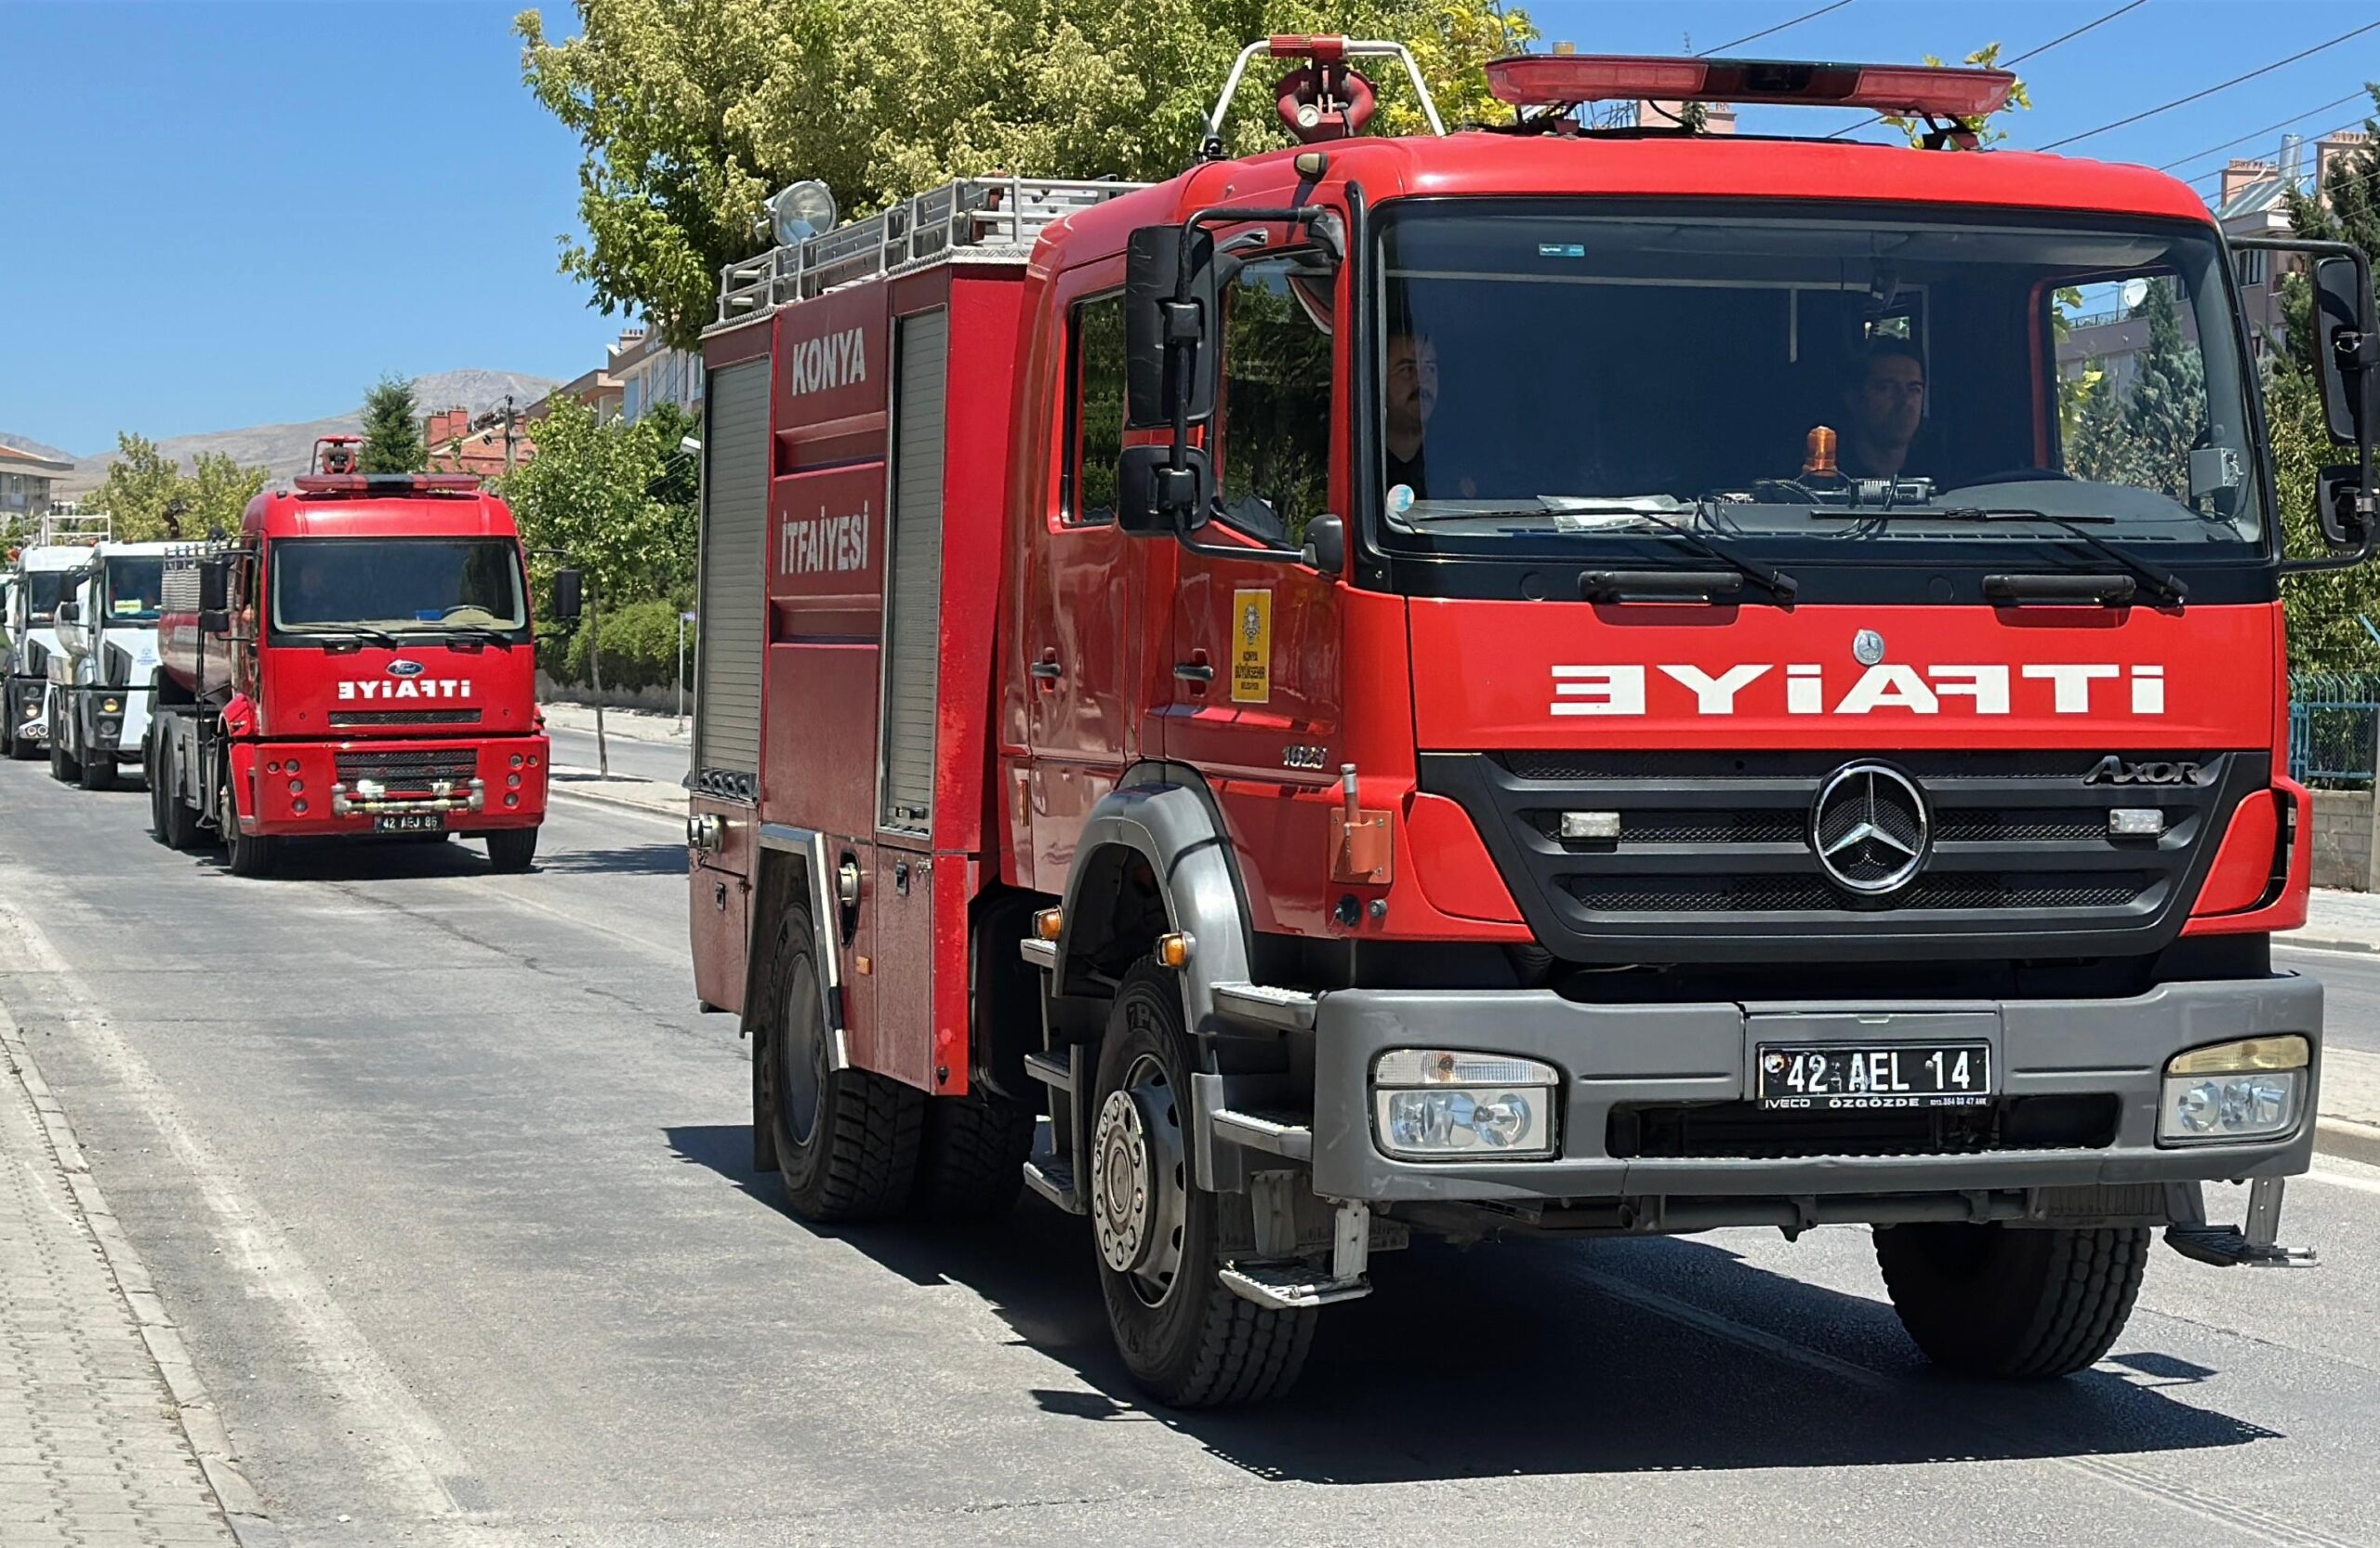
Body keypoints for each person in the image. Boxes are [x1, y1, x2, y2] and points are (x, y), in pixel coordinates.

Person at [1838, 335, 1926, 480]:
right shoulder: (1830, 475)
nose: (1904, 401)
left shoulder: (1944, 471)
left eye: (1914, 389)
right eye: (1886, 388)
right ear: (1854, 399)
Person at [1383, 329, 1438, 499]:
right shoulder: (1362, 466)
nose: (1422, 380)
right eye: (1407, 369)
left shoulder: (1460, 460)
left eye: (1429, 368)